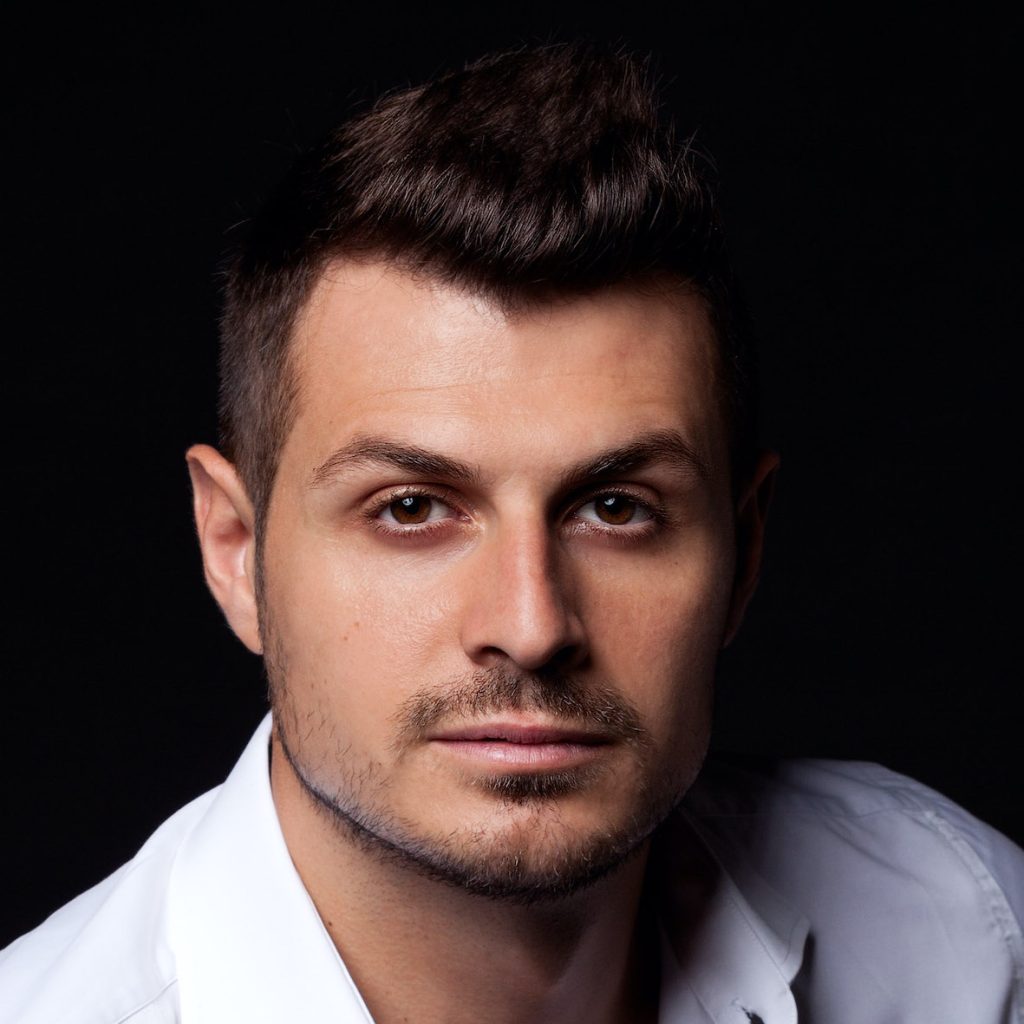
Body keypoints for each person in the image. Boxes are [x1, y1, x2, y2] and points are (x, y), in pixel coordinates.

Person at [2, 44, 1021, 1024]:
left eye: (616, 508)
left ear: (744, 551)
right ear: (235, 550)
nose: (531, 627)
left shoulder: (967, 937)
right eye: (411, 508)